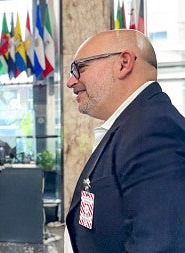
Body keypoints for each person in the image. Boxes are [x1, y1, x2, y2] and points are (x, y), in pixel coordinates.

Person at [65, 29, 185, 252]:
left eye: (80, 68)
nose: (71, 81)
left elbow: (161, 245)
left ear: (123, 63)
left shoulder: (154, 132)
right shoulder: (133, 125)